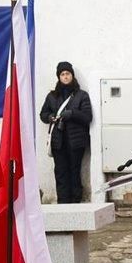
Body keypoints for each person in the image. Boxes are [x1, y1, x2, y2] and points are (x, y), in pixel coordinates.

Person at [40, 61, 92, 203]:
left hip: (76, 142)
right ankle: (63, 203)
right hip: (58, 141)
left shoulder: (82, 95)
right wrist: (50, 117)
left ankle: (76, 202)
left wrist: (72, 114)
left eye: (68, 73)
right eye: (62, 74)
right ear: (59, 77)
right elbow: (43, 114)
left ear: (72, 76)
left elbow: (88, 117)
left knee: (75, 172)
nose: (65, 76)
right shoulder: (52, 96)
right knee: (61, 173)